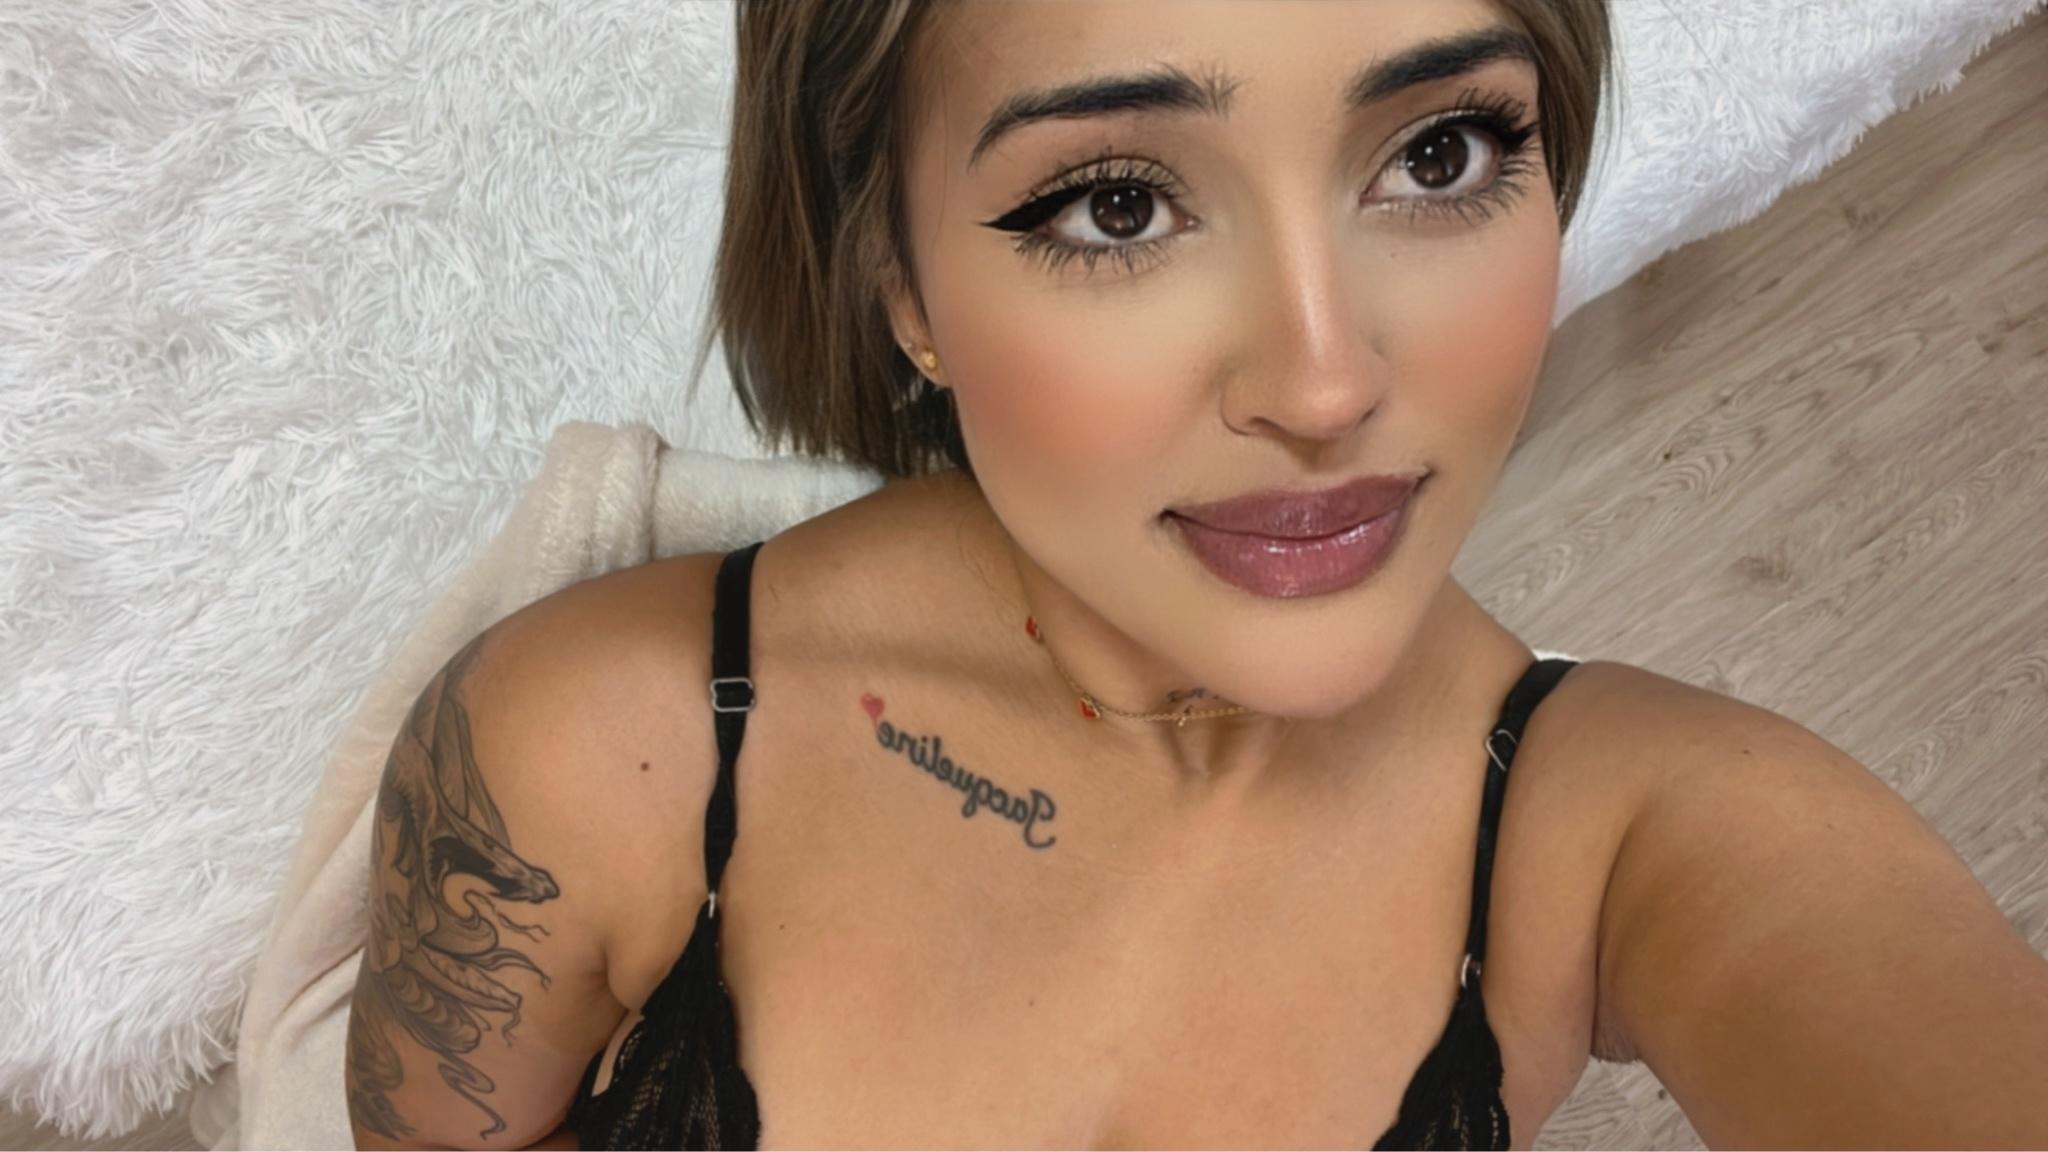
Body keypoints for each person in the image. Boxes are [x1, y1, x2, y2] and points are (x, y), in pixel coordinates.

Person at [342, 1, 2048, 1148]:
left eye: (1439, 154)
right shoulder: (594, 753)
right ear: (902, 284)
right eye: (1115, 206)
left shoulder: (1622, 835)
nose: (1324, 383)